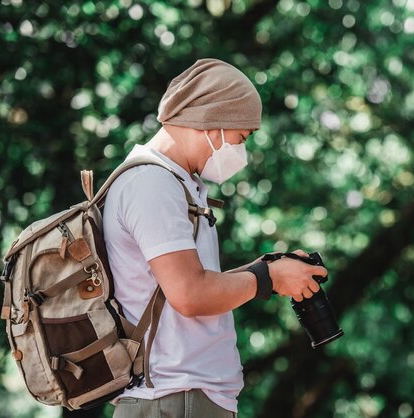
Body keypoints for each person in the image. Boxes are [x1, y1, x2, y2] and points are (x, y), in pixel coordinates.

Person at [104, 58, 327, 418]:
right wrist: (267, 279)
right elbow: (191, 296)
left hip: (185, 398)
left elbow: (190, 286)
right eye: (242, 138)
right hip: (174, 399)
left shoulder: (177, 184)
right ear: (212, 121)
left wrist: (268, 269)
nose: (241, 151)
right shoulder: (151, 184)